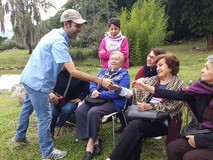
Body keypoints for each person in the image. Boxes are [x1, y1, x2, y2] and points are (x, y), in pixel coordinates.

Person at [11, 9, 113, 160]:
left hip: (29, 78)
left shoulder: (54, 33)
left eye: (80, 25)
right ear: (66, 23)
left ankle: (19, 135)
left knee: (27, 107)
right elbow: (72, 71)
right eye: (77, 25)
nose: (79, 29)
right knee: (45, 118)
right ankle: (47, 152)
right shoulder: (59, 41)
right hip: (38, 83)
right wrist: (100, 80)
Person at [133, 55, 213, 160]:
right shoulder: (201, 88)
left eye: (207, 68)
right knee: (173, 148)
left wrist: (200, 140)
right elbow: (177, 95)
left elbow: (173, 105)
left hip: (207, 137)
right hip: (204, 130)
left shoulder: (180, 83)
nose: (202, 70)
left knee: (190, 157)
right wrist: (149, 88)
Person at [107, 54, 186, 160]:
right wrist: (118, 89)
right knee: (134, 129)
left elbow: (175, 106)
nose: (157, 68)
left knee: (135, 126)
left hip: (165, 121)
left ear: (171, 67)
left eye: (161, 65)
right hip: (146, 117)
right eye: (157, 66)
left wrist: (151, 107)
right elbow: (133, 94)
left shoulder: (179, 84)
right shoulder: (152, 80)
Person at [75, 51, 130, 160]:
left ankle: (90, 145)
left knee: (93, 112)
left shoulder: (124, 75)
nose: (113, 61)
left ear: (121, 62)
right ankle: (96, 140)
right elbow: (93, 82)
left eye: (117, 59)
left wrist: (101, 94)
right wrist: (94, 90)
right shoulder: (103, 72)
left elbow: (118, 93)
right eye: (112, 58)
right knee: (80, 111)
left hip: (113, 102)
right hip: (96, 99)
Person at [114, 48, 166, 134]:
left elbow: (159, 91)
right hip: (138, 96)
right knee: (123, 101)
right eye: (149, 56)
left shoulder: (161, 73)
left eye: (152, 57)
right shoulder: (143, 70)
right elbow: (135, 87)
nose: (149, 59)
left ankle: (141, 128)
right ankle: (125, 125)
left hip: (153, 100)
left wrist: (146, 80)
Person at [49, 69, 90, 138]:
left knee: (66, 110)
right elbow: (47, 85)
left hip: (71, 101)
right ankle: (51, 131)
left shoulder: (77, 74)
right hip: (57, 100)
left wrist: (80, 98)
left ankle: (59, 124)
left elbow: (87, 86)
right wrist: (51, 94)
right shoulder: (55, 73)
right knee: (53, 114)